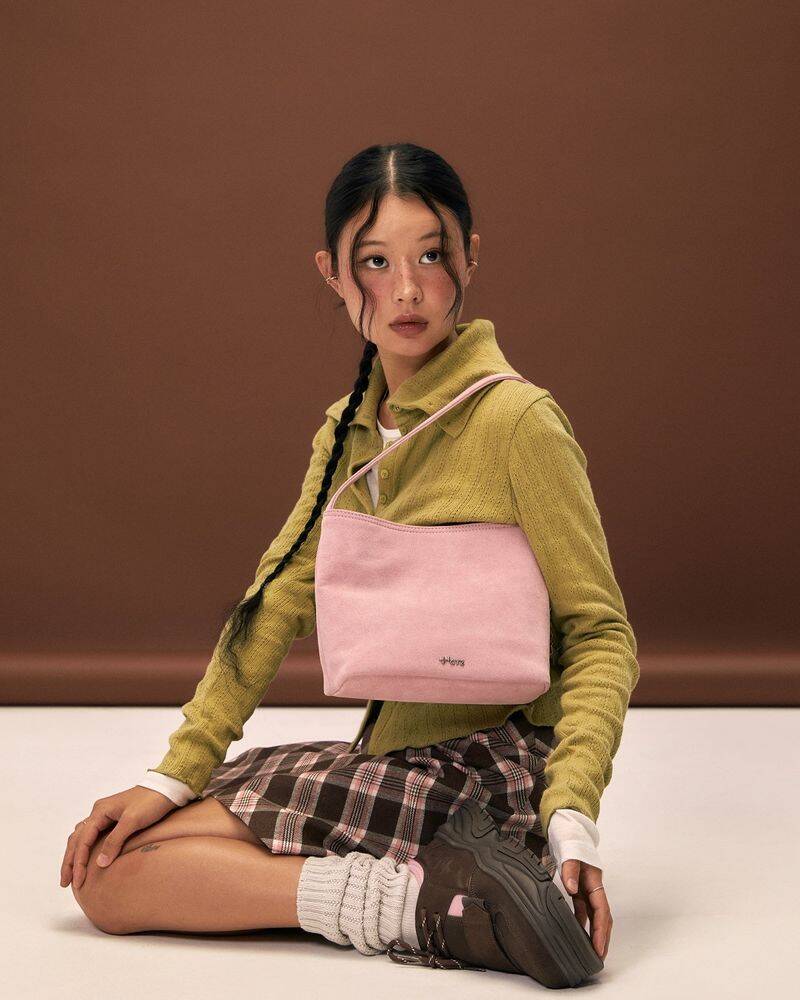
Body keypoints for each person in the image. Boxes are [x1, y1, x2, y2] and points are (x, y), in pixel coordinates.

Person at [60, 142, 638, 985]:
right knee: (116, 868)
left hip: (496, 775)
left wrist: (572, 814)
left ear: (471, 256)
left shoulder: (518, 423)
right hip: (402, 764)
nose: (406, 290)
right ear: (331, 273)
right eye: (375, 262)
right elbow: (276, 600)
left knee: (114, 884)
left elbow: (601, 634)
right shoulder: (348, 432)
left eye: (431, 256)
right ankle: (426, 898)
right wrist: (174, 773)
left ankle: (436, 907)